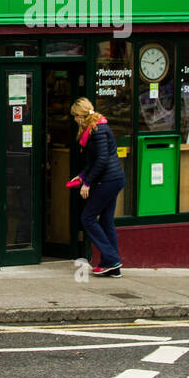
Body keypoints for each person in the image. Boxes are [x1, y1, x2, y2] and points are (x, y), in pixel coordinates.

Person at [67, 98, 125, 276]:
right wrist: (83, 175)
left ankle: (112, 258)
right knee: (106, 220)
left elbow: (101, 160)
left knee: (88, 218)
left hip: (108, 181)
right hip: (112, 179)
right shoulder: (95, 128)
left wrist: (87, 182)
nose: (74, 119)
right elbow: (95, 161)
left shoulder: (98, 131)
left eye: (75, 116)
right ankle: (113, 267)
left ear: (82, 116)